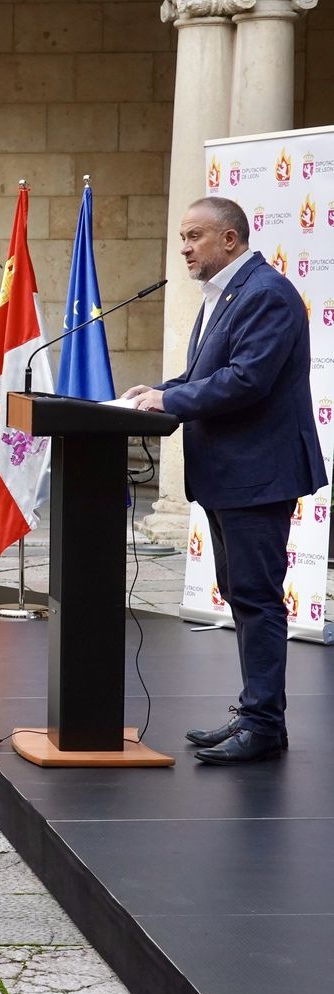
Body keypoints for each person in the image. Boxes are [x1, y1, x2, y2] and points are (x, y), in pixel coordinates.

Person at [125, 196, 327, 766]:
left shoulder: (266, 294)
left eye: (194, 236)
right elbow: (203, 377)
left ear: (230, 240)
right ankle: (257, 712)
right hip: (228, 474)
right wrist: (149, 396)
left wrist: (171, 398)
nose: (184, 247)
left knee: (257, 599)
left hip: (257, 476)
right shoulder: (226, 295)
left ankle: (263, 724)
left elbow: (246, 382)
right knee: (243, 596)